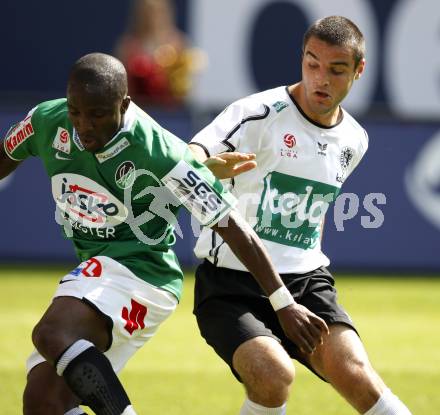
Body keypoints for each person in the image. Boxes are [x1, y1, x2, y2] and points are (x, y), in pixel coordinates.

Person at [0, 53, 328, 415]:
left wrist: (283, 302)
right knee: (44, 403)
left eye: (97, 114)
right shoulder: (47, 120)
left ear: (124, 104)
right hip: (102, 270)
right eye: (76, 111)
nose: (84, 126)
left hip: (141, 272)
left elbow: (233, 227)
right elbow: (5, 156)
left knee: (51, 334)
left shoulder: (161, 151)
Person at [189, 16, 413, 415]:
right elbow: (190, 157)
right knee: (273, 376)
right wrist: (208, 167)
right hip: (231, 286)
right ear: (301, 60)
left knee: (358, 374)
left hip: (307, 284)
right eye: (312, 64)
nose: (320, 79)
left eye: (335, 69)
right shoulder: (257, 113)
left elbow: (316, 212)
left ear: (359, 71)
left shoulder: (355, 139)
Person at [115, 0, 199, 107]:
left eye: (157, 11)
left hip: (171, 114)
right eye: (147, 12)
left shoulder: (179, 44)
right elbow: (121, 86)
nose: (152, 17)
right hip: (137, 111)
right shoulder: (127, 46)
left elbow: (187, 89)